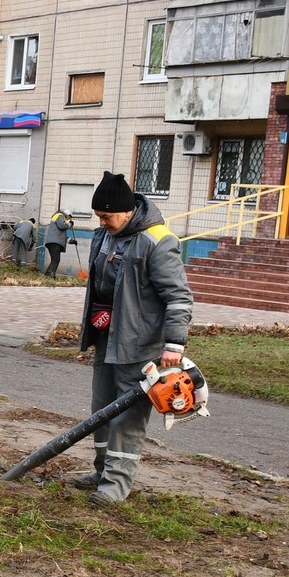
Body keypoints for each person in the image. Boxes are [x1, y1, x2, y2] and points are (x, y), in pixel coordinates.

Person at [74, 171, 193, 506]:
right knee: (101, 410)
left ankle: (115, 485)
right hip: (107, 337)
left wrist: (173, 345)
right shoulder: (104, 236)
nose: (103, 222)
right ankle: (101, 472)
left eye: (107, 216)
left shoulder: (158, 240)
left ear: (127, 212)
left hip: (140, 345)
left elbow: (179, 297)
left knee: (127, 418)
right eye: (99, 216)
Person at [43, 209, 74, 279]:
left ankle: (47, 275)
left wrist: (71, 241)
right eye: (70, 217)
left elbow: (62, 236)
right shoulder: (60, 216)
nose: (69, 219)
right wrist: (70, 224)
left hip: (54, 242)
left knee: (55, 259)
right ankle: (51, 276)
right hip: (54, 242)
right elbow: (62, 226)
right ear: (68, 214)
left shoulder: (60, 219)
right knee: (56, 260)